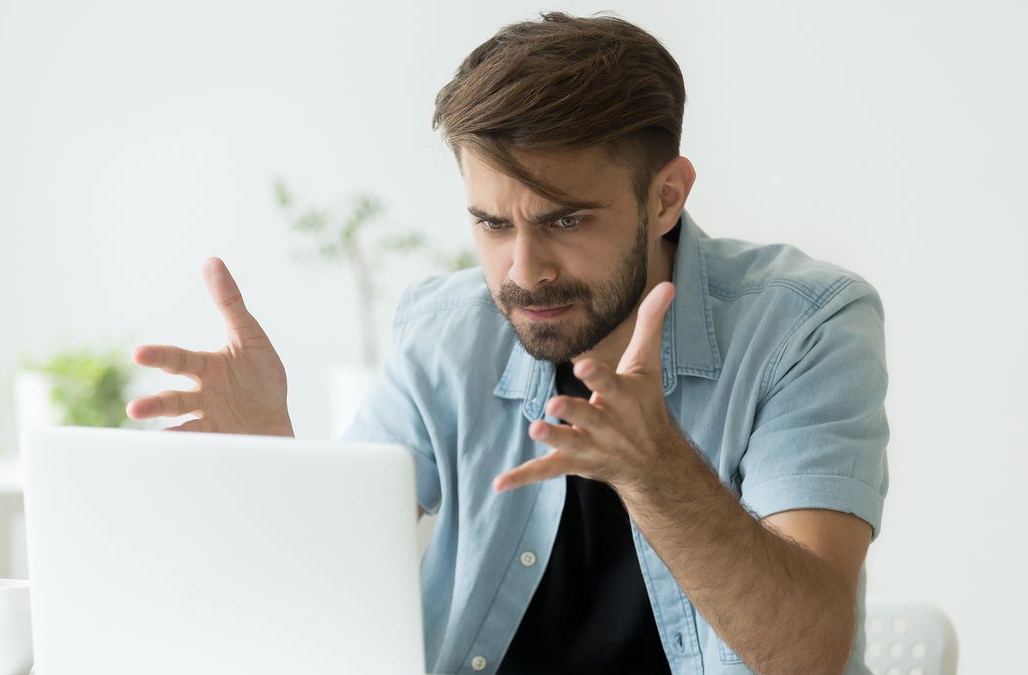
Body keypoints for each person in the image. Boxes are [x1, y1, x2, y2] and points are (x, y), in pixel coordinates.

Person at [126, 12, 888, 675]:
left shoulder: (805, 326)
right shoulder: (445, 329)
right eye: (492, 224)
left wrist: (654, 471)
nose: (522, 274)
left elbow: (807, 655)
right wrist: (276, 465)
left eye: (564, 220)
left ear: (666, 196)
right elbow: (328, 607)